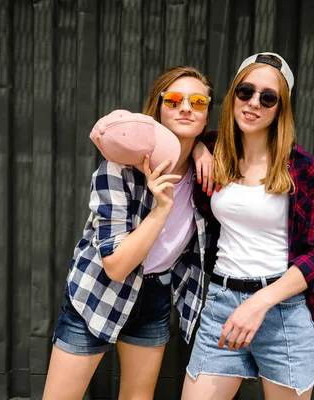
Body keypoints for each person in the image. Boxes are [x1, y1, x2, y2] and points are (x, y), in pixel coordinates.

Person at [42, 66, 215, 400]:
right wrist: (161, 208)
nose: (185, 108)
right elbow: (116, 265)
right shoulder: (120, 167)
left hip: (155, 293)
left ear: (207, 116)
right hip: (100, 289)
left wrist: (199, 148)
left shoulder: (207, 167)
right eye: (174, 100)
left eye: (197, 102)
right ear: (157, 108)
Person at [182, 52, 314, 399]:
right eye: (245, 92)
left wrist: (258, 303)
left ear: (281, 108)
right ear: (234, 94)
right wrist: (197, 151)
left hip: (283, 310)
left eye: (268, 98)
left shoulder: (302, 170)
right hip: (222, 304)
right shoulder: (215, 152)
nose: (254, 103)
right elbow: (179, 134)